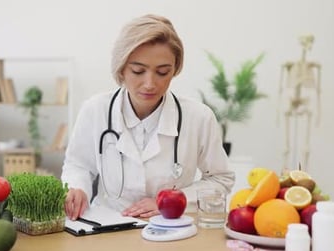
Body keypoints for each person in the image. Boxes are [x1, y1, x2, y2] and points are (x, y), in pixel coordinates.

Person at [62, 14, 235, 220]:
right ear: (122, 68)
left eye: (162, 72)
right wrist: (78, 189)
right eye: (138, 71)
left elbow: (220, 179)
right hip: (106, 227)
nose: (150, 83)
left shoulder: (199, 117)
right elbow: (78, 165)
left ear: (175, 70)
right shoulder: (95, 109)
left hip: (171, 228)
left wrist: (170, 200)